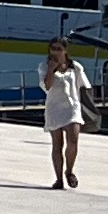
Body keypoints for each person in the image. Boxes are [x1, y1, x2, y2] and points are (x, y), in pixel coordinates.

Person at [39, 39, 91, 191]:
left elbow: (85, 87)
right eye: (52, 48)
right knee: (57, 144)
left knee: (73, 141)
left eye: (59, 49)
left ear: (65, 51)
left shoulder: (75, 67)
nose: (55, 52)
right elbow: (47, 87)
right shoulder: (44, 66)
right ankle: (59, 179)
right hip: (54, 108)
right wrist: (51, 70)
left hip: (72, 108)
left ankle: (69, 171)